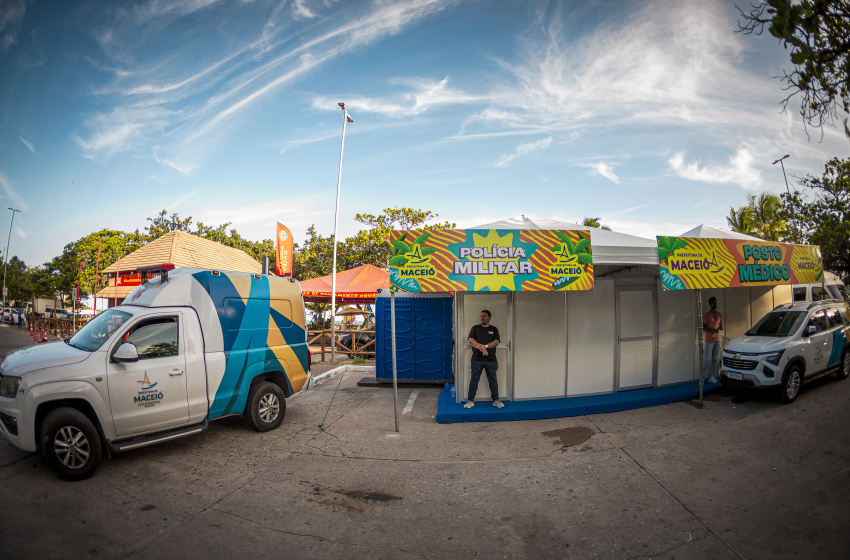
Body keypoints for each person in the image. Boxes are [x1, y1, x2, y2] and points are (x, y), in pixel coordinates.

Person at [465, 310, 504, 409]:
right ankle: (470, 401)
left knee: (493, 380)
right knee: (474, 380)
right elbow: (471, 340)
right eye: (481, 316)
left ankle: (496, 400)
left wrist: (485, 346)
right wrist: (481, 348)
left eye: (484, 316)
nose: (482, 318)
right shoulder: (475, 328)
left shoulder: (494, 329)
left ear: (489, 317)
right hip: (476, 359)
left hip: (491, 360)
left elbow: (496, 342)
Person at [702, 296, 723, 384]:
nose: (715, 304)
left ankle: (712, 376)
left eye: (716, 302)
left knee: (715, 359)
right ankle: (702, 377)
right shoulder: (707, 315)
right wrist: (712, 330)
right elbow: (703, 327)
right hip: (710, 340)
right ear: (710, 304)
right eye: (713, 303)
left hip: (717, 340)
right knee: (707, 359)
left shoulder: (719, 314)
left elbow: (721, 325)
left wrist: (720, 327)